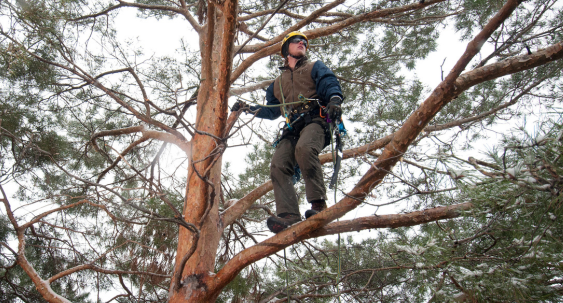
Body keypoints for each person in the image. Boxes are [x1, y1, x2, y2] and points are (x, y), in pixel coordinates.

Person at [232, 31, 344, 233]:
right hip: (293, 128)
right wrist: (247, 108)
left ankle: (318, 205)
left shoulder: (314, 67)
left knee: (305, 149)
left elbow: (328, 82)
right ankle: (289, 214)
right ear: (286, 49)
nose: (302, 42)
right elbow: (272, 111)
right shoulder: (277, 84)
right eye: (296, 40)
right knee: (278, 164)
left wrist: (335, 99)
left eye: (304, 42)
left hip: (316, 121)